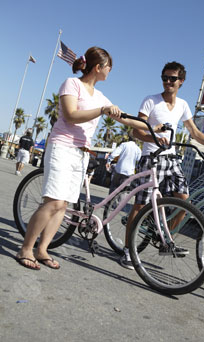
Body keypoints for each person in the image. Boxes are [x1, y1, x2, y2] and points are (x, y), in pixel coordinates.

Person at [15, 46, 163, 270]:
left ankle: (42, 249)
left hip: (81, 154)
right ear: (98, 67)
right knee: (53, 201)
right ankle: (26, 248)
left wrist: (153, 127)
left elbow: (127, 120)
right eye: (109, 67)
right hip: (62, 147)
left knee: (63, 206)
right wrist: (102, 111)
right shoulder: (72, 84)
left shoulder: (101, 97)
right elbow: (71, 115)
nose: (110, 71)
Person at [120, 61, 204, 270]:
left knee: (185, 203)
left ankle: (163, 238)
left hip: (172, 160)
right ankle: (127, 250)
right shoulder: (150, 101)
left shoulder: (183, 105)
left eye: (172, 79)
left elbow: (195, 133)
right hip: (152, 158)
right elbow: (136, 131)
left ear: (181, 81)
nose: (168, 82)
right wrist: (154, 138)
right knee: (140, 205)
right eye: (165, 78)